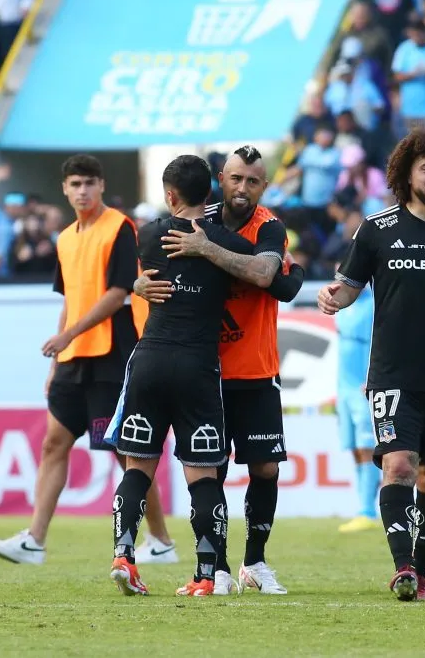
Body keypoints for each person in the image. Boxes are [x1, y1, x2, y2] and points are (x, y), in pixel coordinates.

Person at [317, 126, 425, 602]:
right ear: (407, 174)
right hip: (393, 373)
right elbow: (349, 286)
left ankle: (422, 571)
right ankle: (403, 568)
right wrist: (333, 295)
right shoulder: (376, 229)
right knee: (398, 466)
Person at [0, 155, 176, 566]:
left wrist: (68, 335)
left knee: (126, 454)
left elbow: (117, 292)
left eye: (89, 182)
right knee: (54, 443)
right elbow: (72, 300)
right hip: (74, 359)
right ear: (65, 189)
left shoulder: (120, 228)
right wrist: (58, 359)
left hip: (112, 352)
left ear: (101, 185)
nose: (83, 191)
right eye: (75, 184)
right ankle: (34, 541)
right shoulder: (66, 238)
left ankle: (160, 541)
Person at [152, 145, 306, 595]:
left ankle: (254, 563)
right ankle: (215, 567)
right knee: (209, 470)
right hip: (205, 371)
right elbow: (157, 264)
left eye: (253, 181)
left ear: (264, 185)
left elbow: (268, 277)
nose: (243, 189)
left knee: (265, 470)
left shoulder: (271, 227)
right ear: (222, 177)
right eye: (236, 179)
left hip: (257, 370)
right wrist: (142, 282)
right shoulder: (199, 216)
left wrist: (206, 249)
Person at [103, 155, 258, 597]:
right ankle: (207, 574)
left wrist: (138, 286)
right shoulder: (227, 242)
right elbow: (256, 269)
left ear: (170, 195)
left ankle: (124, 556)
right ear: (210, 192)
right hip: (198, 364)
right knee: (204, 475)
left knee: (138, 467)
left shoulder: (149, 235)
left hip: (150, 358)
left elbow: (144, 274)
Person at [335, 280, 379, 533]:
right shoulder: (343, 305)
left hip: (363, 383)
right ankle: (364, 506)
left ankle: (367, 511)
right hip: (343, 386)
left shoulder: (374, 304)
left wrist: (372, 377)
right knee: (354, 448)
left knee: (367, 447)